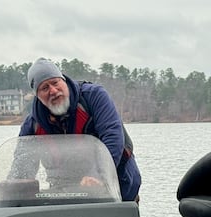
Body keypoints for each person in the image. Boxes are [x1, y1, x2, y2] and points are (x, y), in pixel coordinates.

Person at [18, 57, 141, 202]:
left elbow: (113, 137)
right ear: (37, 96)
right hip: (66, 195)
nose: (53, 90)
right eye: (44, 88)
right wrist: (13, 189)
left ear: (63, 80)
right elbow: (22, 161)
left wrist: (98, 176)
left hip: (118, 187)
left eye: (55, 83)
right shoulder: (33, 123)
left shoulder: (94, 97)